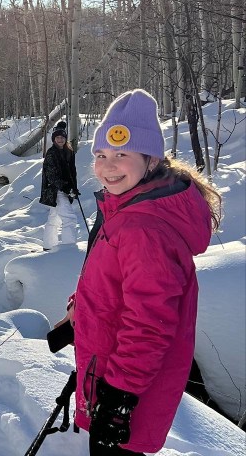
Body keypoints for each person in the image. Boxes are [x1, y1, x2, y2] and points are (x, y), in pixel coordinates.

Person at [56, 89, 222, 455]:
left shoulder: (143, 228)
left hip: (126, 387)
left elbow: (149, 322)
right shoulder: (127, 209)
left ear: (150, 161)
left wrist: (118, 397)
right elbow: (113, 280)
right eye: (101, 155)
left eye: (121, 155)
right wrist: (80, 305)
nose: (107, 166)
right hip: (110, 368)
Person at [39, 120, 79, 250]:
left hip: (65, 189)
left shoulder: (69, 151)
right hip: (56, 190)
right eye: (57, 137)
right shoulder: (52, 153)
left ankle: (48, 246)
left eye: (62, 137)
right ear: (54, 139)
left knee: (54, 219)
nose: (60, 139)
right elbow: (51, 176)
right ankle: (69, 248)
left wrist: (74, 187)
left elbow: (72, 172)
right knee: (69, 218)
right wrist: (66, 188)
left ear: (65, 138)